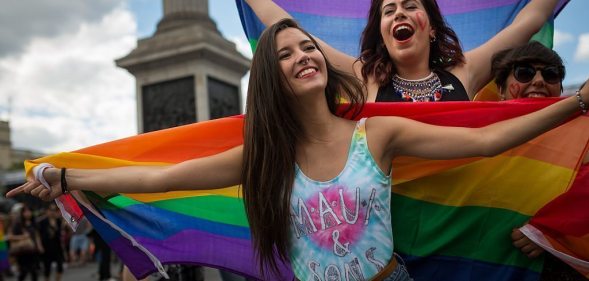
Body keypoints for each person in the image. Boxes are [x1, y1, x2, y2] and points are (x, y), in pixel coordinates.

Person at [7, 19, 589, 281]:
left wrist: (576, 104)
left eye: (306, 47)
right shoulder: (264, 157)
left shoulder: (378, 134)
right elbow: (165, 176)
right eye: (284, 54)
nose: (302, 57)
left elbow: (485, 142)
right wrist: (69, 177)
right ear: (271, 75)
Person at [246, 0, 560, 102]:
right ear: (382, 34)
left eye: (411, 6)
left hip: (459, 220)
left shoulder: (466, 70)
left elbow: (528, 21)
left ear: (432, 28)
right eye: (389, 10)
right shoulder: (363, 76)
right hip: (391, 228)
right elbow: (291, 28)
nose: (399, 13)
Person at [492, 41, 588, 281]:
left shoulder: (585, 137)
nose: (538, 81)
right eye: (524, 72)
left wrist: (548, 230)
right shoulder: (474, 137)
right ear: (500, 90)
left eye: (550, 74)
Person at [8, 204, 43, 281]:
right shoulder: (17, 224)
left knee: (34, 271)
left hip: (33, 250)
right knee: (24, 271)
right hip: (22, 251)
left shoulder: (34, 222)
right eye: (25, 211)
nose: (27, 213)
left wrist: (40, 246)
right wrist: (23, 237)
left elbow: (37, 235)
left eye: (29, 211)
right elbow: (10, 237)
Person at [37, 204, 65, 281]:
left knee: (60, 266)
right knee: (47, 268)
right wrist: (39, 246)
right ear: (47, 211)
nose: (52, 212)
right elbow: (38, 235)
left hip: (57, 245)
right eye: (51, 210)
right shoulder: (42, 221)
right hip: (46, 246)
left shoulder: (58, 221)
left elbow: (60, 234)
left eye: (54, 210)